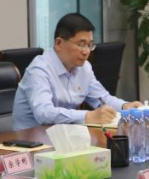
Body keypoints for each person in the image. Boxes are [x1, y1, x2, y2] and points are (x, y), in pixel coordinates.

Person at [12, 12, 142, 129]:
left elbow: (102, 98)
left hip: (64, 136)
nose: (86, 51)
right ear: (58, 43)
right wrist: (88, 116)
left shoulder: (84, 68)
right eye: (81, 44)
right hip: (31, 140)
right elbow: (44, 113)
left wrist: (125, 107)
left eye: (89, 45)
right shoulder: (39, 69)